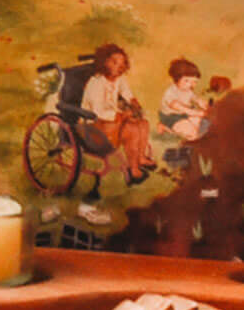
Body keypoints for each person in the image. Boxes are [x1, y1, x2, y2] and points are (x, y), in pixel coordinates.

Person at [74, 44, 160, 220]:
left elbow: (126, 92)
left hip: (112, 120)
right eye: (114, 62)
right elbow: (98, 111)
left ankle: (141, 157)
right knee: (130, 129)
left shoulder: (119, 79)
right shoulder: (95, 83)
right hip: (94, 125)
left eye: (122, 63)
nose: (118, 67)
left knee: (142, 123)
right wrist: (123, 115)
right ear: (104, 63)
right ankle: (133, 169)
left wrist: (134, 103)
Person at [158, 56, 212, 142]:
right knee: (192, 133)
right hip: (171, 117)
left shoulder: (187, 90)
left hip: (185, 114)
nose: (191, 84)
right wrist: (196, 113)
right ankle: (165, 126)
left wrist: (201, 103)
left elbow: (194, 98)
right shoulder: (170, 92)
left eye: (194, 81)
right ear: (176, 79)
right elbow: (177, 106)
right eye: (187, 81)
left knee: (200, 124)